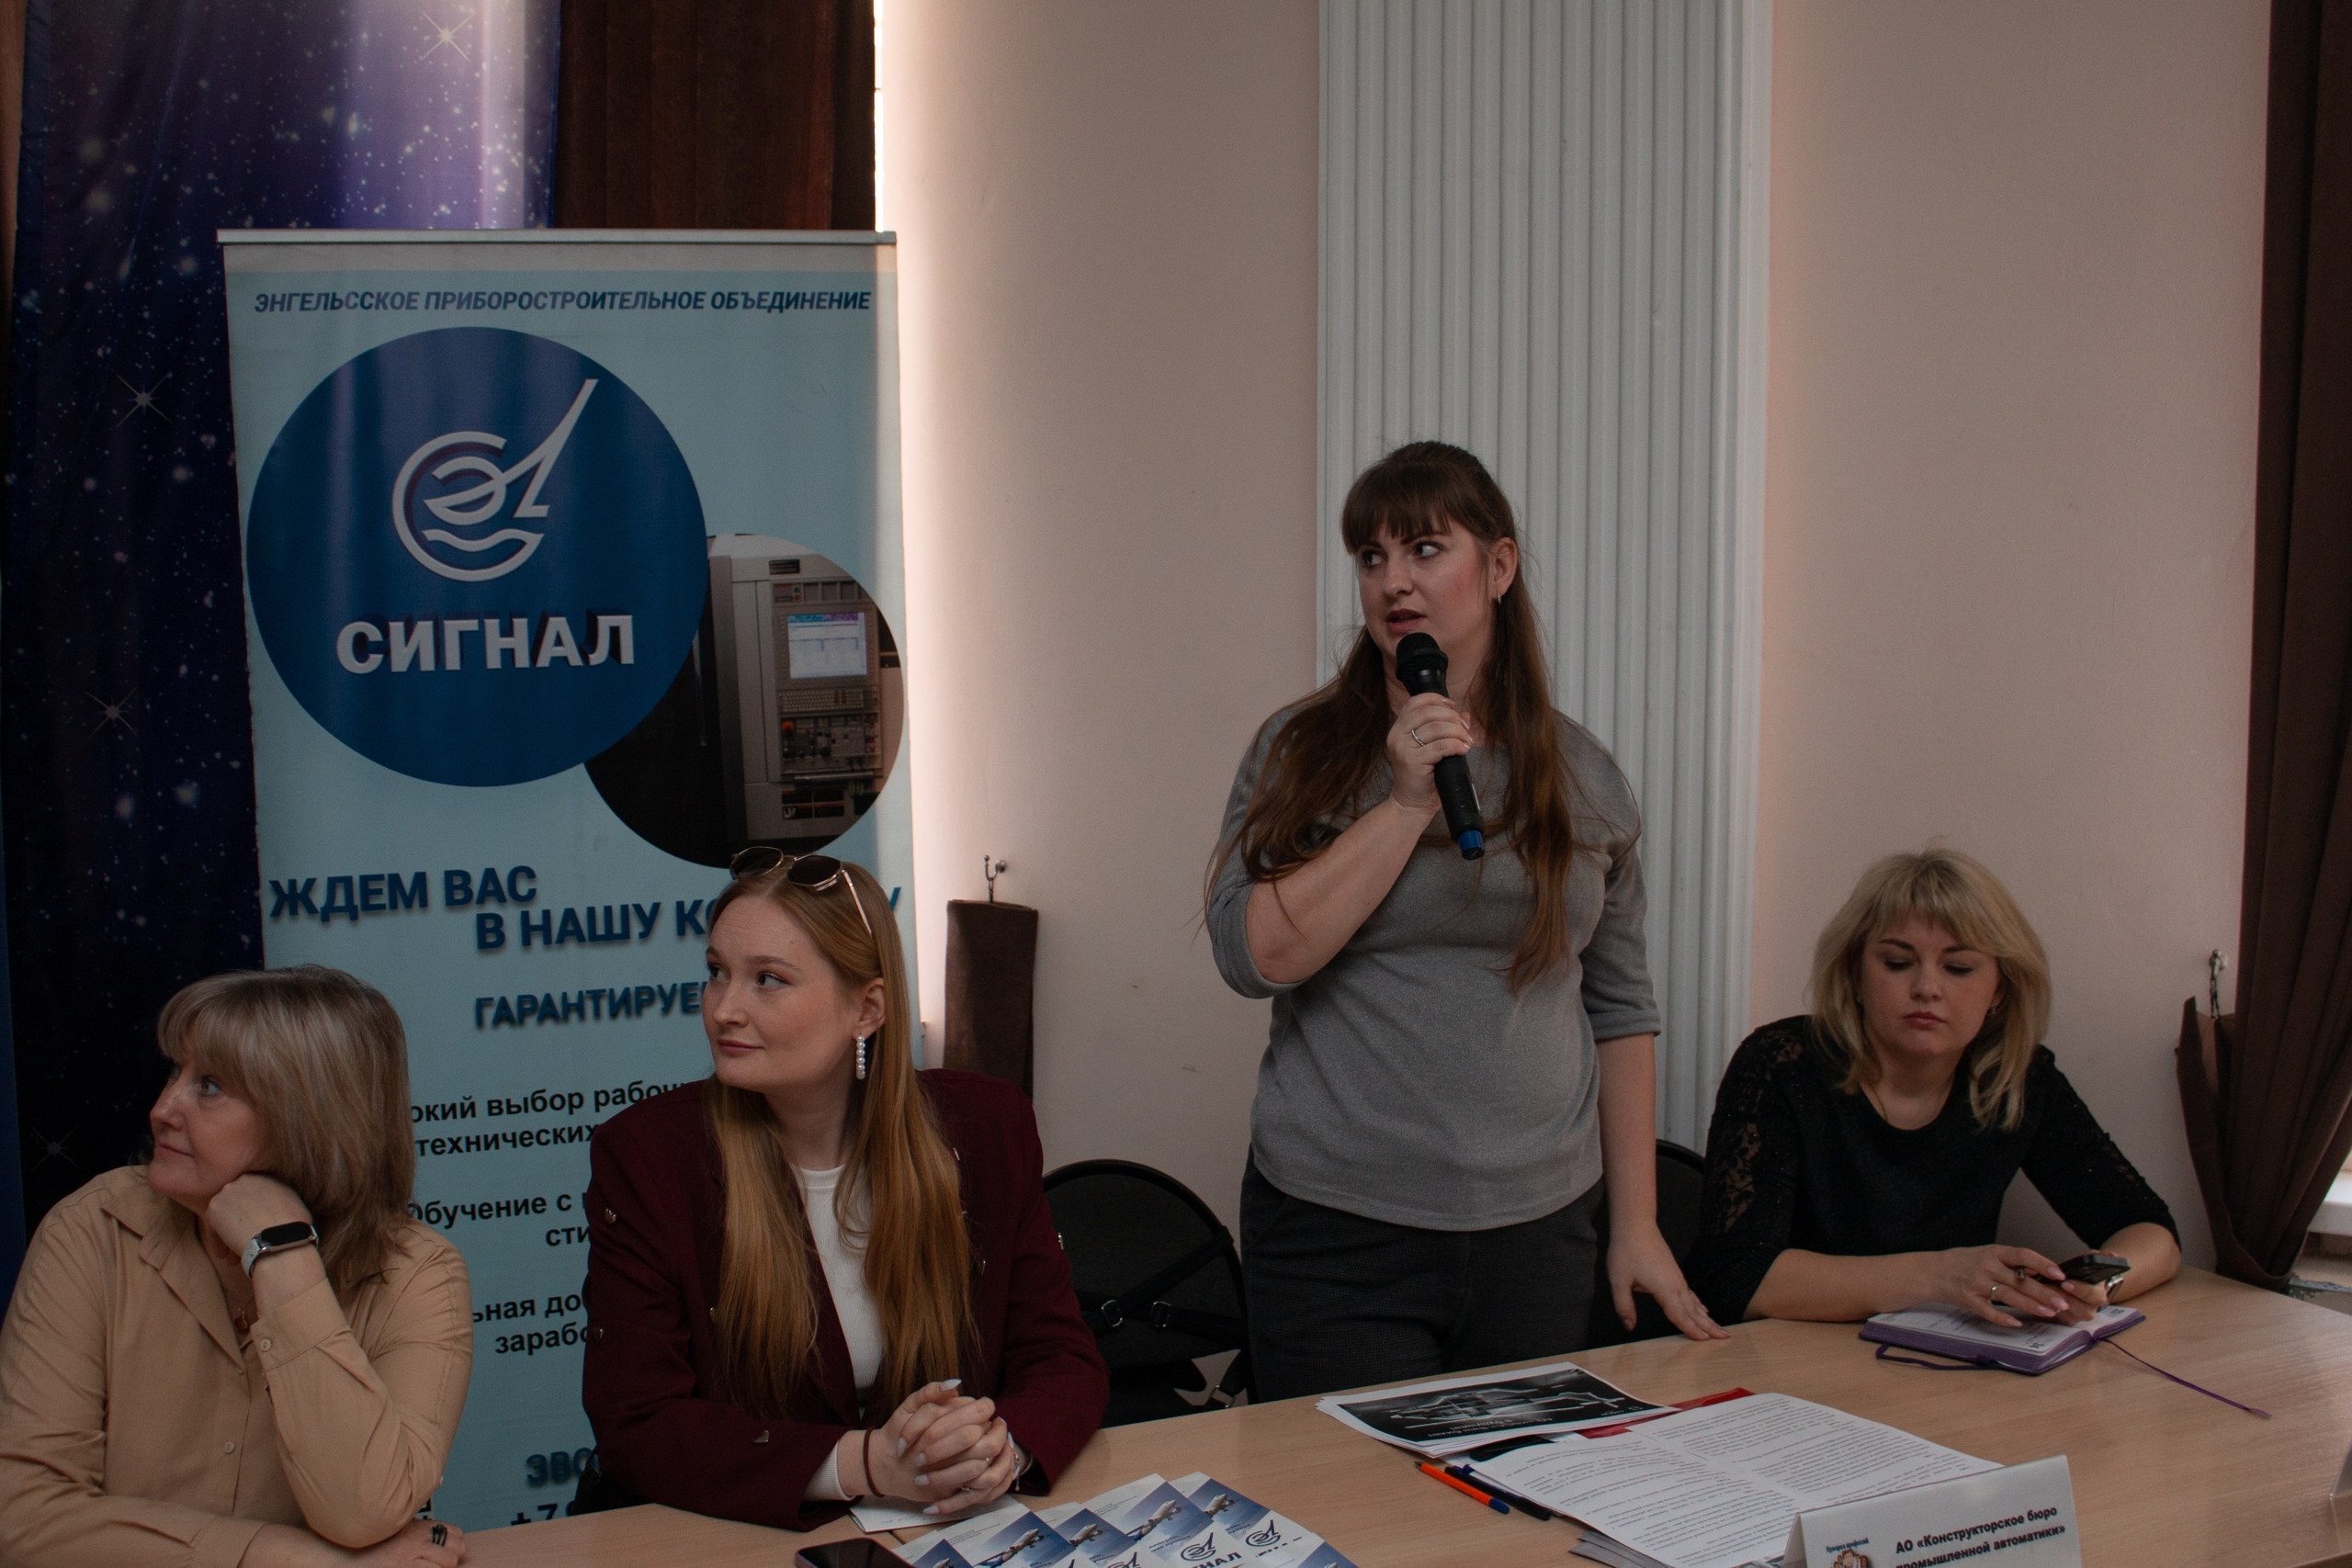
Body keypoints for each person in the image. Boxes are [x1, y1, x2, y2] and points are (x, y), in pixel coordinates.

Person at [1206, 440, 1724, 1403]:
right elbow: (1253, 954)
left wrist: (1637, 1225)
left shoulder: (1585, 776)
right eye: (1371, 557)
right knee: (1351, 1493)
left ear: (1498, 566)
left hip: (1540, 1225)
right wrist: (1404, 802)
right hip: (1338, 1227)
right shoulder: (1301, 750)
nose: (1392, 582)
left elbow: (1620, 1009)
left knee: (1514, 1489)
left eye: (1424, 549)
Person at [580, 852, 1107, 1530]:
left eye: (768, 979)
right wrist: (863, 1463)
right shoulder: (647, 1156)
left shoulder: (986, 1128)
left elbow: (1062, 1357)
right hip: (742, 1537)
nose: (723, 1009)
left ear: (867, 1008)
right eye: (716, 972)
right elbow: (638, 1423)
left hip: (952, 1528)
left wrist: (998, 1449)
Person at [0, 966, 475, 1568]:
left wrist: (280, 1253)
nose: (162, 1109)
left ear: (313, 1117)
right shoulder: (92, 1231)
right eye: (175, 1072)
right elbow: (22, 1516)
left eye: (210, 1086)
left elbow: (363, 1511)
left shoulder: (420, 1275)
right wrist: (293, 1559)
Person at [1688, 846, 2181, 1327]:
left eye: (1958, 968)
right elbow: (1736, 1276)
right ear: (1855, 974)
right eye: (1897, 963)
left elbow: (2152, 1231)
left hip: (1940, 1362)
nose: (1926, 988)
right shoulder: (1782, 1062)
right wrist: (1939, 1276)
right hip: (1791, 1360)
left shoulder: (2016, 1077)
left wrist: (2097, 1286)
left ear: (1999, 989)